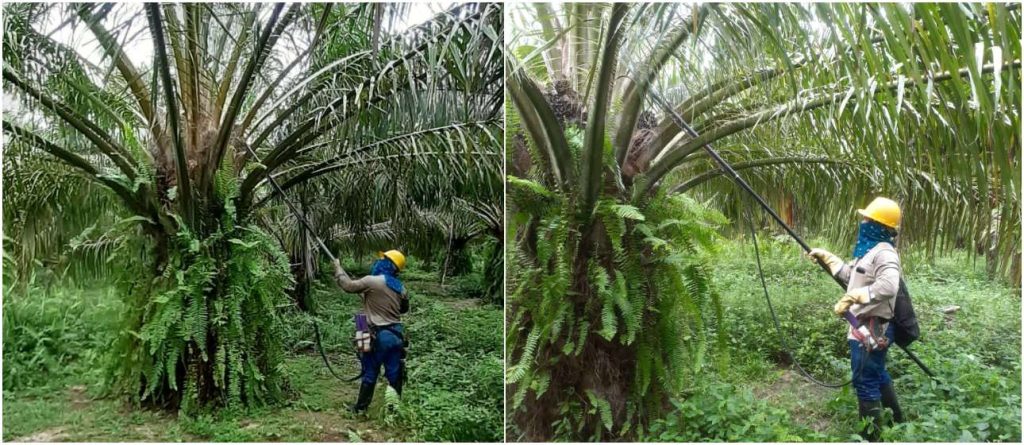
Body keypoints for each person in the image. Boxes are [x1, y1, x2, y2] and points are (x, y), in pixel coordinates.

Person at [807, 197, 904, 441]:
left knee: (865, 381)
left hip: (873, 326)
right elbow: (853, 276)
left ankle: (872, 437)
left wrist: (855, 297)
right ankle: (897, 421)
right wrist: (829, 259)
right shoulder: (869, 251)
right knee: (877, 373)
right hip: (867, 325)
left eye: (867, 219)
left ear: (878, 225)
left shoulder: (885, 254)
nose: (863, 222)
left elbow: (889, 286)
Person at [332, 249, 410, 413]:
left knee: (369, 371)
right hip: (395, 335)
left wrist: (338, 268)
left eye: (382, 260)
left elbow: (348, 286)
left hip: (371, 332)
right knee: (394, 375)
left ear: (386, 263)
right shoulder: (401, 288)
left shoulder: (372, 281)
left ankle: (360, 409)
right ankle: (394, 411)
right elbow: (403, 309)